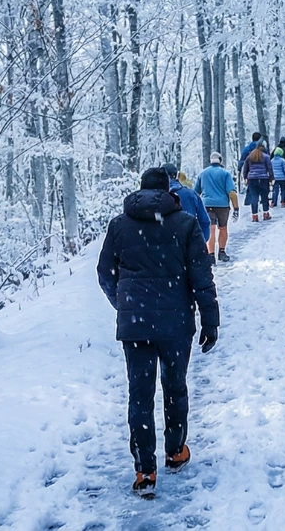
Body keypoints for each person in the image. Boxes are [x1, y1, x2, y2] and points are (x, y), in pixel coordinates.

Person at [97, 168, 219, 499]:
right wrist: (210, 320)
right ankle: (175, 452)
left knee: (140, 394)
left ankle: (144, 469)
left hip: (134, 323)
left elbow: (105, 273)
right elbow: (201, 276)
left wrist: (124, 304)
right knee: (175, 387)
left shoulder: (120, 225)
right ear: (169, 191)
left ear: (140, 190)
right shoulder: (184, 224)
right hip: (176, 324)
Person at [194, 152, 240, 262]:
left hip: (207, 205)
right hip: (222, 206)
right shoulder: (225, 174)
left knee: (211, 229)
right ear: (220, 160)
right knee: (223, 228)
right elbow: (232, 193)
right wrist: (236, 208)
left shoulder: (202, 174)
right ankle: (222, 252)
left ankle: (210, 255)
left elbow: (195, 192)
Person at [164, 163, 210, 242]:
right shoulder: (191, 194)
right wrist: (200, 242)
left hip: (163, 246)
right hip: (188, 242)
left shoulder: (155, 195)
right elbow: (204, 221)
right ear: (176, 176)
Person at [243, 143, 274, 221]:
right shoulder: (266, 157)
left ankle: (254, 216)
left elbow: (245, 168)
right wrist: (271, 178)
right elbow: (269, 168)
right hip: (263, 179)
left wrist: (245, 177)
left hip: (252, 179)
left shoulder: (250, 157)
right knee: (264, 197)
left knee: (254, 197)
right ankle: (266, 214)